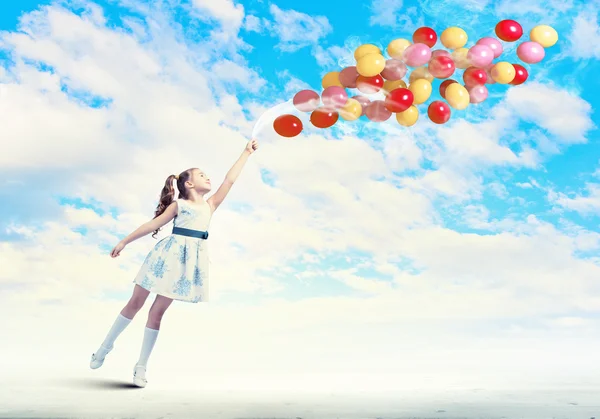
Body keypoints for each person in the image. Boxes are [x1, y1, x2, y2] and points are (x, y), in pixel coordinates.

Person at [89, 139, 259, 388]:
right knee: (135, 303)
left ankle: (141, 367)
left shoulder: (210, 205)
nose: (208, 177)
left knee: (157, 313)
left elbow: (229, 181)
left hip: (186, 265)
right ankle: (104, 347)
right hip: (166, 257)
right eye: (202, 175)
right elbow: (153, 225)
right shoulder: (180, 204)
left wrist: (246, 153)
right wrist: (124, 241)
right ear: (189, 183)